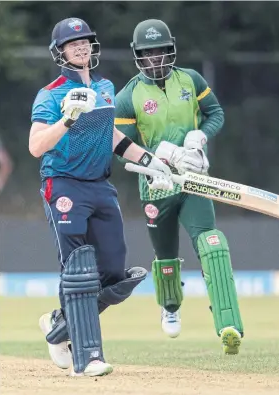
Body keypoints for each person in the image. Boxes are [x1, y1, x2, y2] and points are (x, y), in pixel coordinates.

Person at [29, 17, 173, 377]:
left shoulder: (107, 87)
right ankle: (88, 356)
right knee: (78, 271)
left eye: (85, 42)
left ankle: (59, 325)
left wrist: (151, 161)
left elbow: (113, 139)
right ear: (59, 52)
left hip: (100, 186)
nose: (80, 47)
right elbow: (36, 147)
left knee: (112, 274)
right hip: (63, 185)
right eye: (72, 44)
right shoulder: (51, 94)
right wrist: (68, 118)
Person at [114, 19, 243, 354]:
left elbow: (214, 113)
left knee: (211, 243)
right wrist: (155, 161)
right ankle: (170, 307)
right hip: (157, 186)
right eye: (148, 53)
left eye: (160, 52)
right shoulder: (128, 96)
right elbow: (121, 145)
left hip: (194, 182)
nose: (155, 59)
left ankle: (229, 323)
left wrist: (200, 137)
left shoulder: (191, 79)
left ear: (170, 50)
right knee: (167, 256)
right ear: (138, 56)